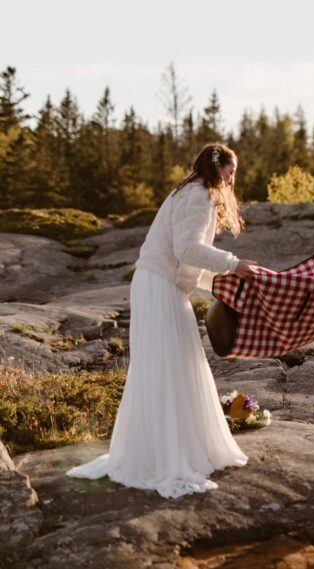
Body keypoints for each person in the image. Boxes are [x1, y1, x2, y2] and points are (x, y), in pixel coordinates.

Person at [67, 143, 259, 498]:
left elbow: (185, 258)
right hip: (158, 287)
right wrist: (233, 264)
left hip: (159, 283)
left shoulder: (187, 192)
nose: (233, 180)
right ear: (219, 170)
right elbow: (188, 249)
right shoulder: (200, 196)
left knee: (174, 364)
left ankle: (170, 447)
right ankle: (166, 456)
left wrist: (224, 280)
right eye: (231, 173)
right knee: (168, 365)